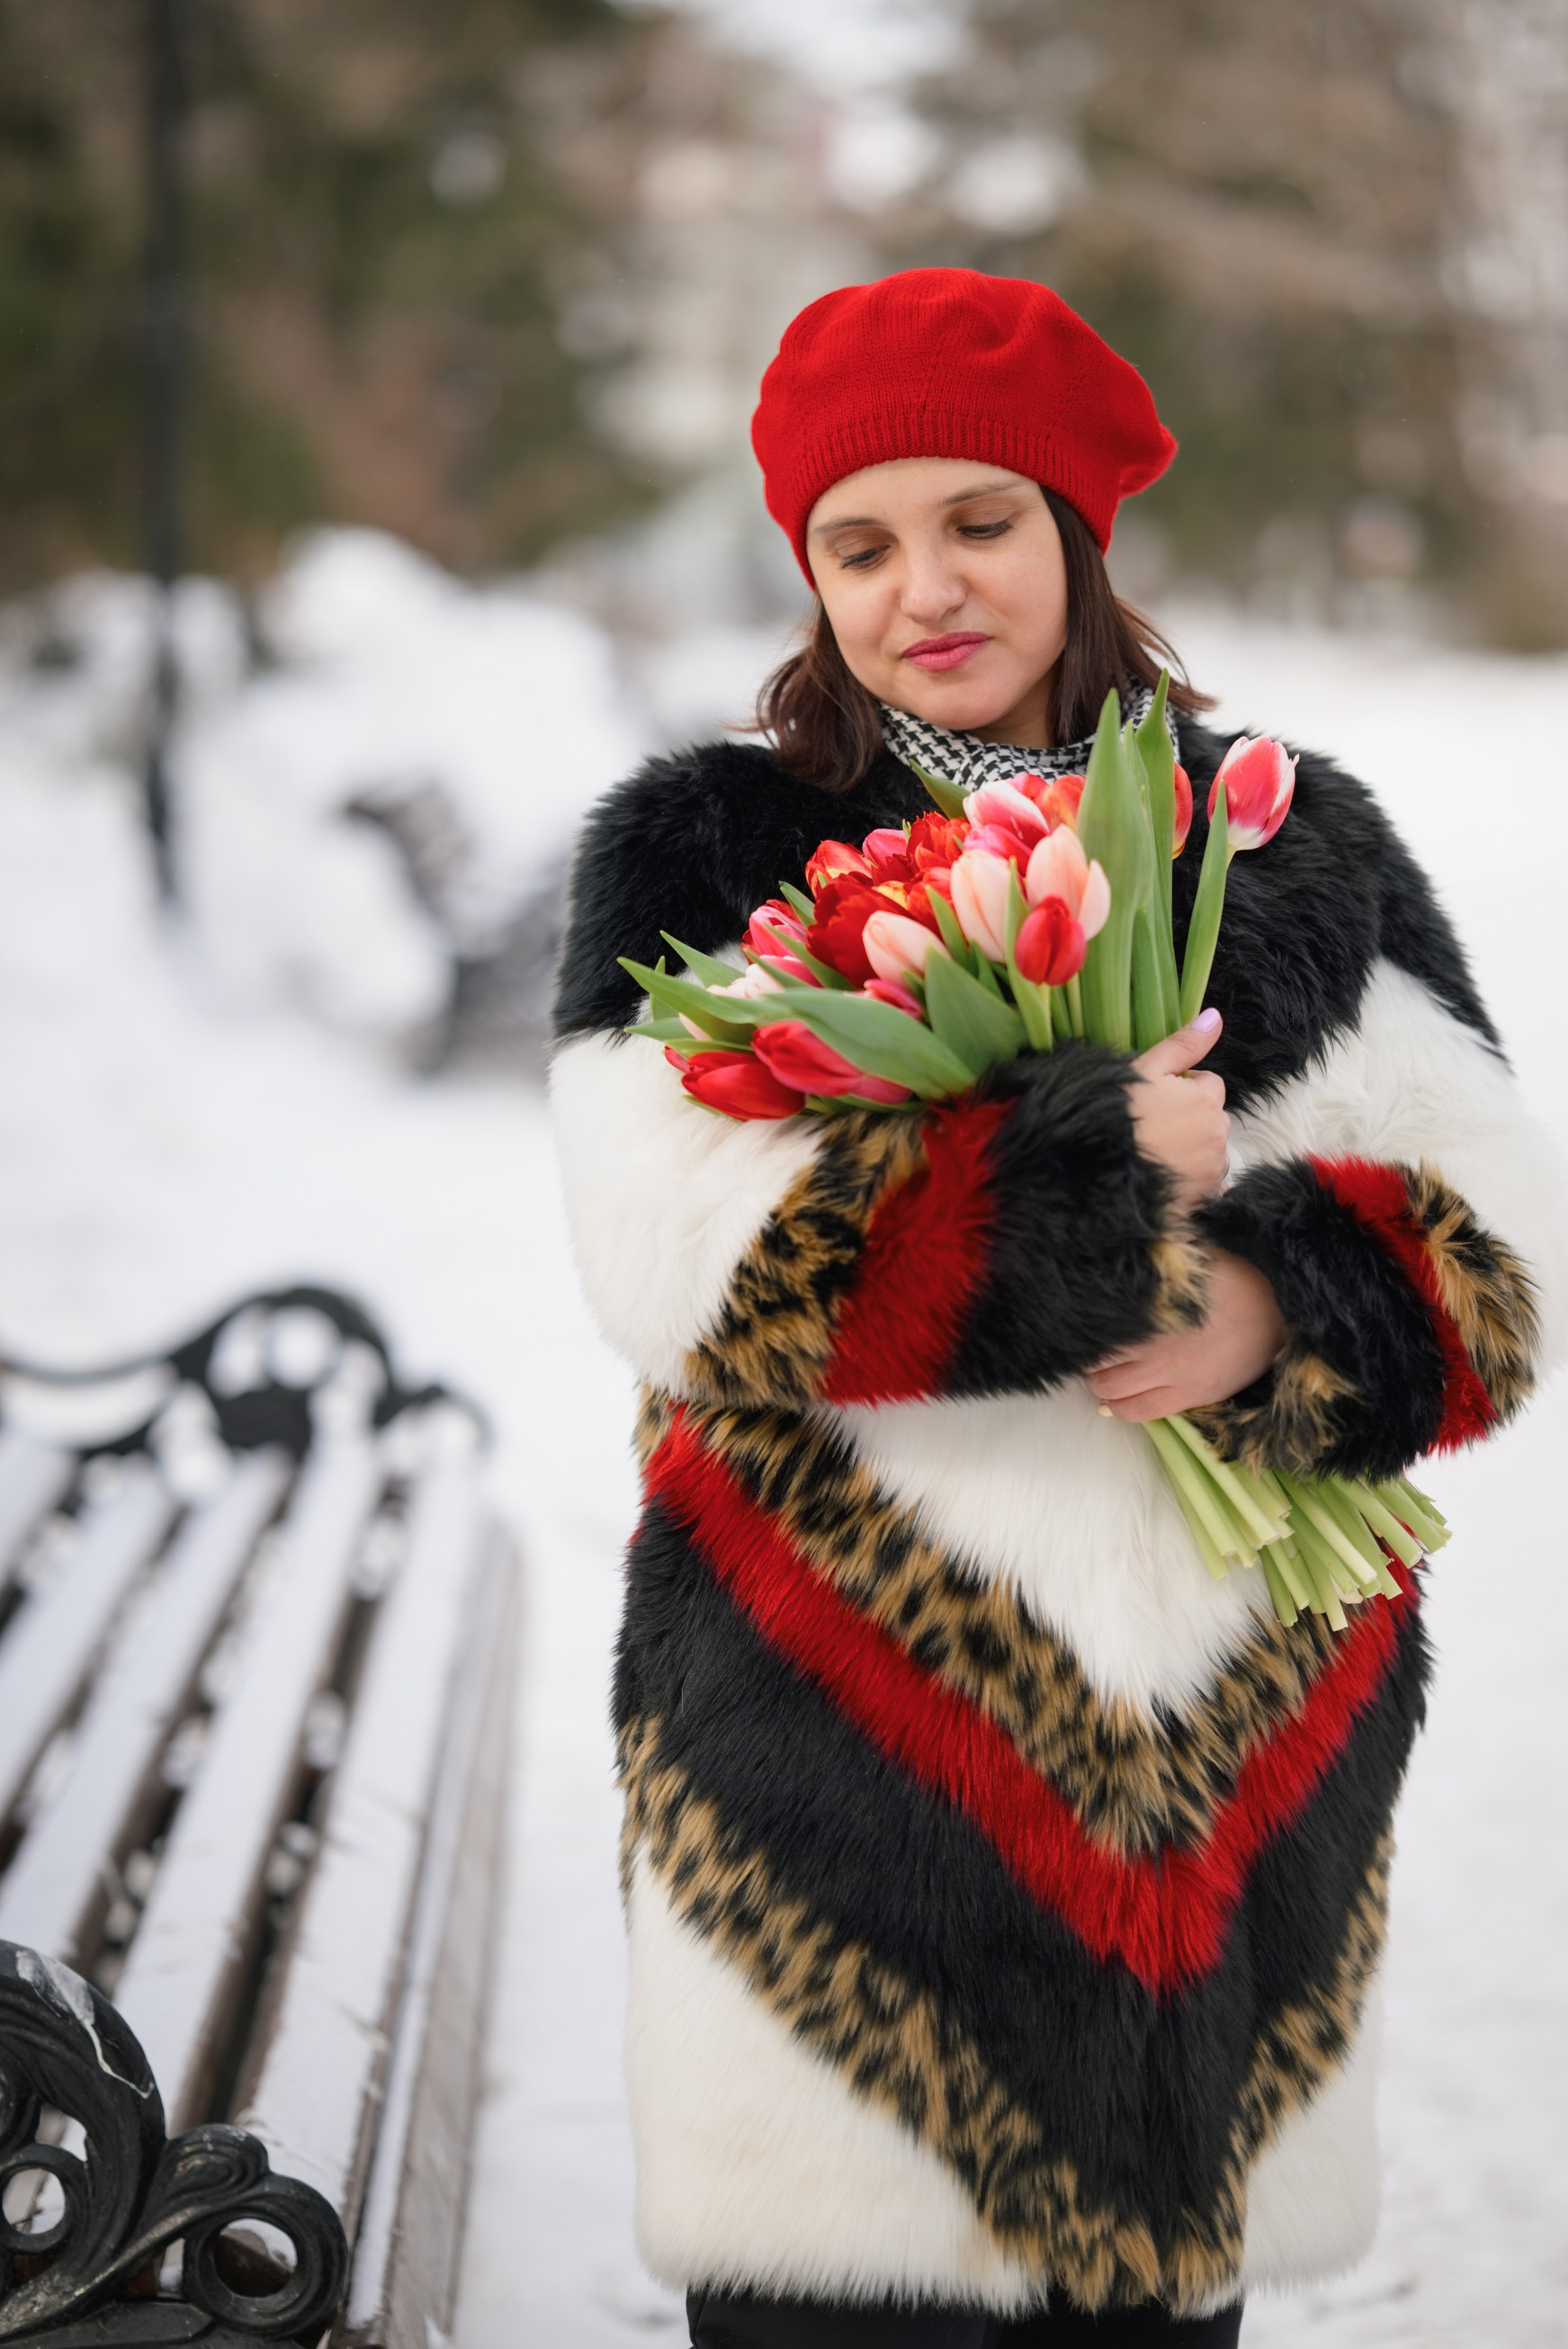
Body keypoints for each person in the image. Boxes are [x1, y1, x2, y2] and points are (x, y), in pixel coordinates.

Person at [551, 270, 1565, 2347]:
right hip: (831, 1784)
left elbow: (1502, 1238)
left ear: (1078, 530)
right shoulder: (713, 855)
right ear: (808, 571)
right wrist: (1088, 1182)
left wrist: (1285, 1306)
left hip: (1218, 1815)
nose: (926, 583)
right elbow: (669, 1258)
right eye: (862, 541)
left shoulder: (1285, 842)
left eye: (980, 519)